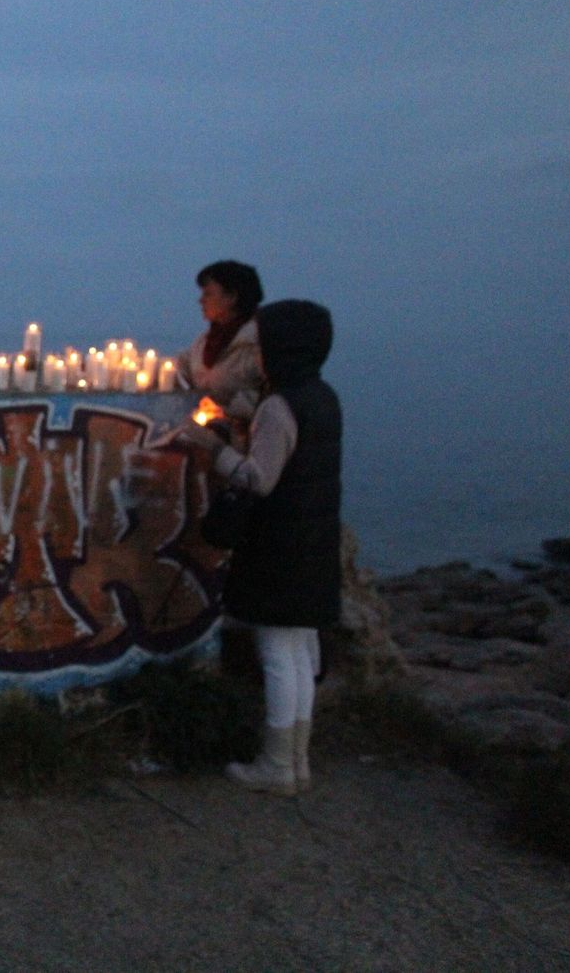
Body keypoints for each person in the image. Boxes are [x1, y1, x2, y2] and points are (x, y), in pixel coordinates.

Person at [181, 299, 341, 795]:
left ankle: (276, 765)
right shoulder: (322, 396)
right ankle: (296, 761)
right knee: (297, 651)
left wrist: (212, 449)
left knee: (277, 651)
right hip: (313, 539)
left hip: (280, 542)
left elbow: (259, 478)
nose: (254, 354)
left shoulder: (280, 405)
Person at [176, 260, 266, 425]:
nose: (201, 300)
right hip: (206, 442)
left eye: (208, 294)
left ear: (231, 297)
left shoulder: (259, 344)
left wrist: (226, 410)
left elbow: (270, 403)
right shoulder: (203, 344)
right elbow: (181, 372)